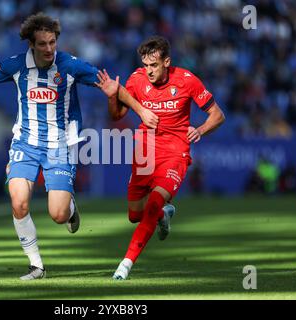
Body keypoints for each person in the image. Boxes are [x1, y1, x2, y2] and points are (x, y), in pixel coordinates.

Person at [0, 13, 158, 280]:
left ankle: (70, 208)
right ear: (31, 45)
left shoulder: (70, 65)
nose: (49, 49)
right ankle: (36, 266)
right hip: (25, 143)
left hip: (60, 146)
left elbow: (113, 88)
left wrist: (141, 110)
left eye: (52, 42)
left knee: (58, 214)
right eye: (42, 44)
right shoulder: (17, 65)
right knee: (19, 202)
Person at [96, 36, 225, 280]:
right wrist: (113, 96)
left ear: (167, 62)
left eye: (154, 65)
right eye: (146, 65)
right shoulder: (136, 79)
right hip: (144, 152)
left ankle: (125, 265)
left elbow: (218, 115)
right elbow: (116, 115)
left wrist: (199, 130)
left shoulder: (187, 81)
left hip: (175, 153)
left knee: (153, 202)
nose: (149, 71)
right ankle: (163, 214)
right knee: (135, 215)